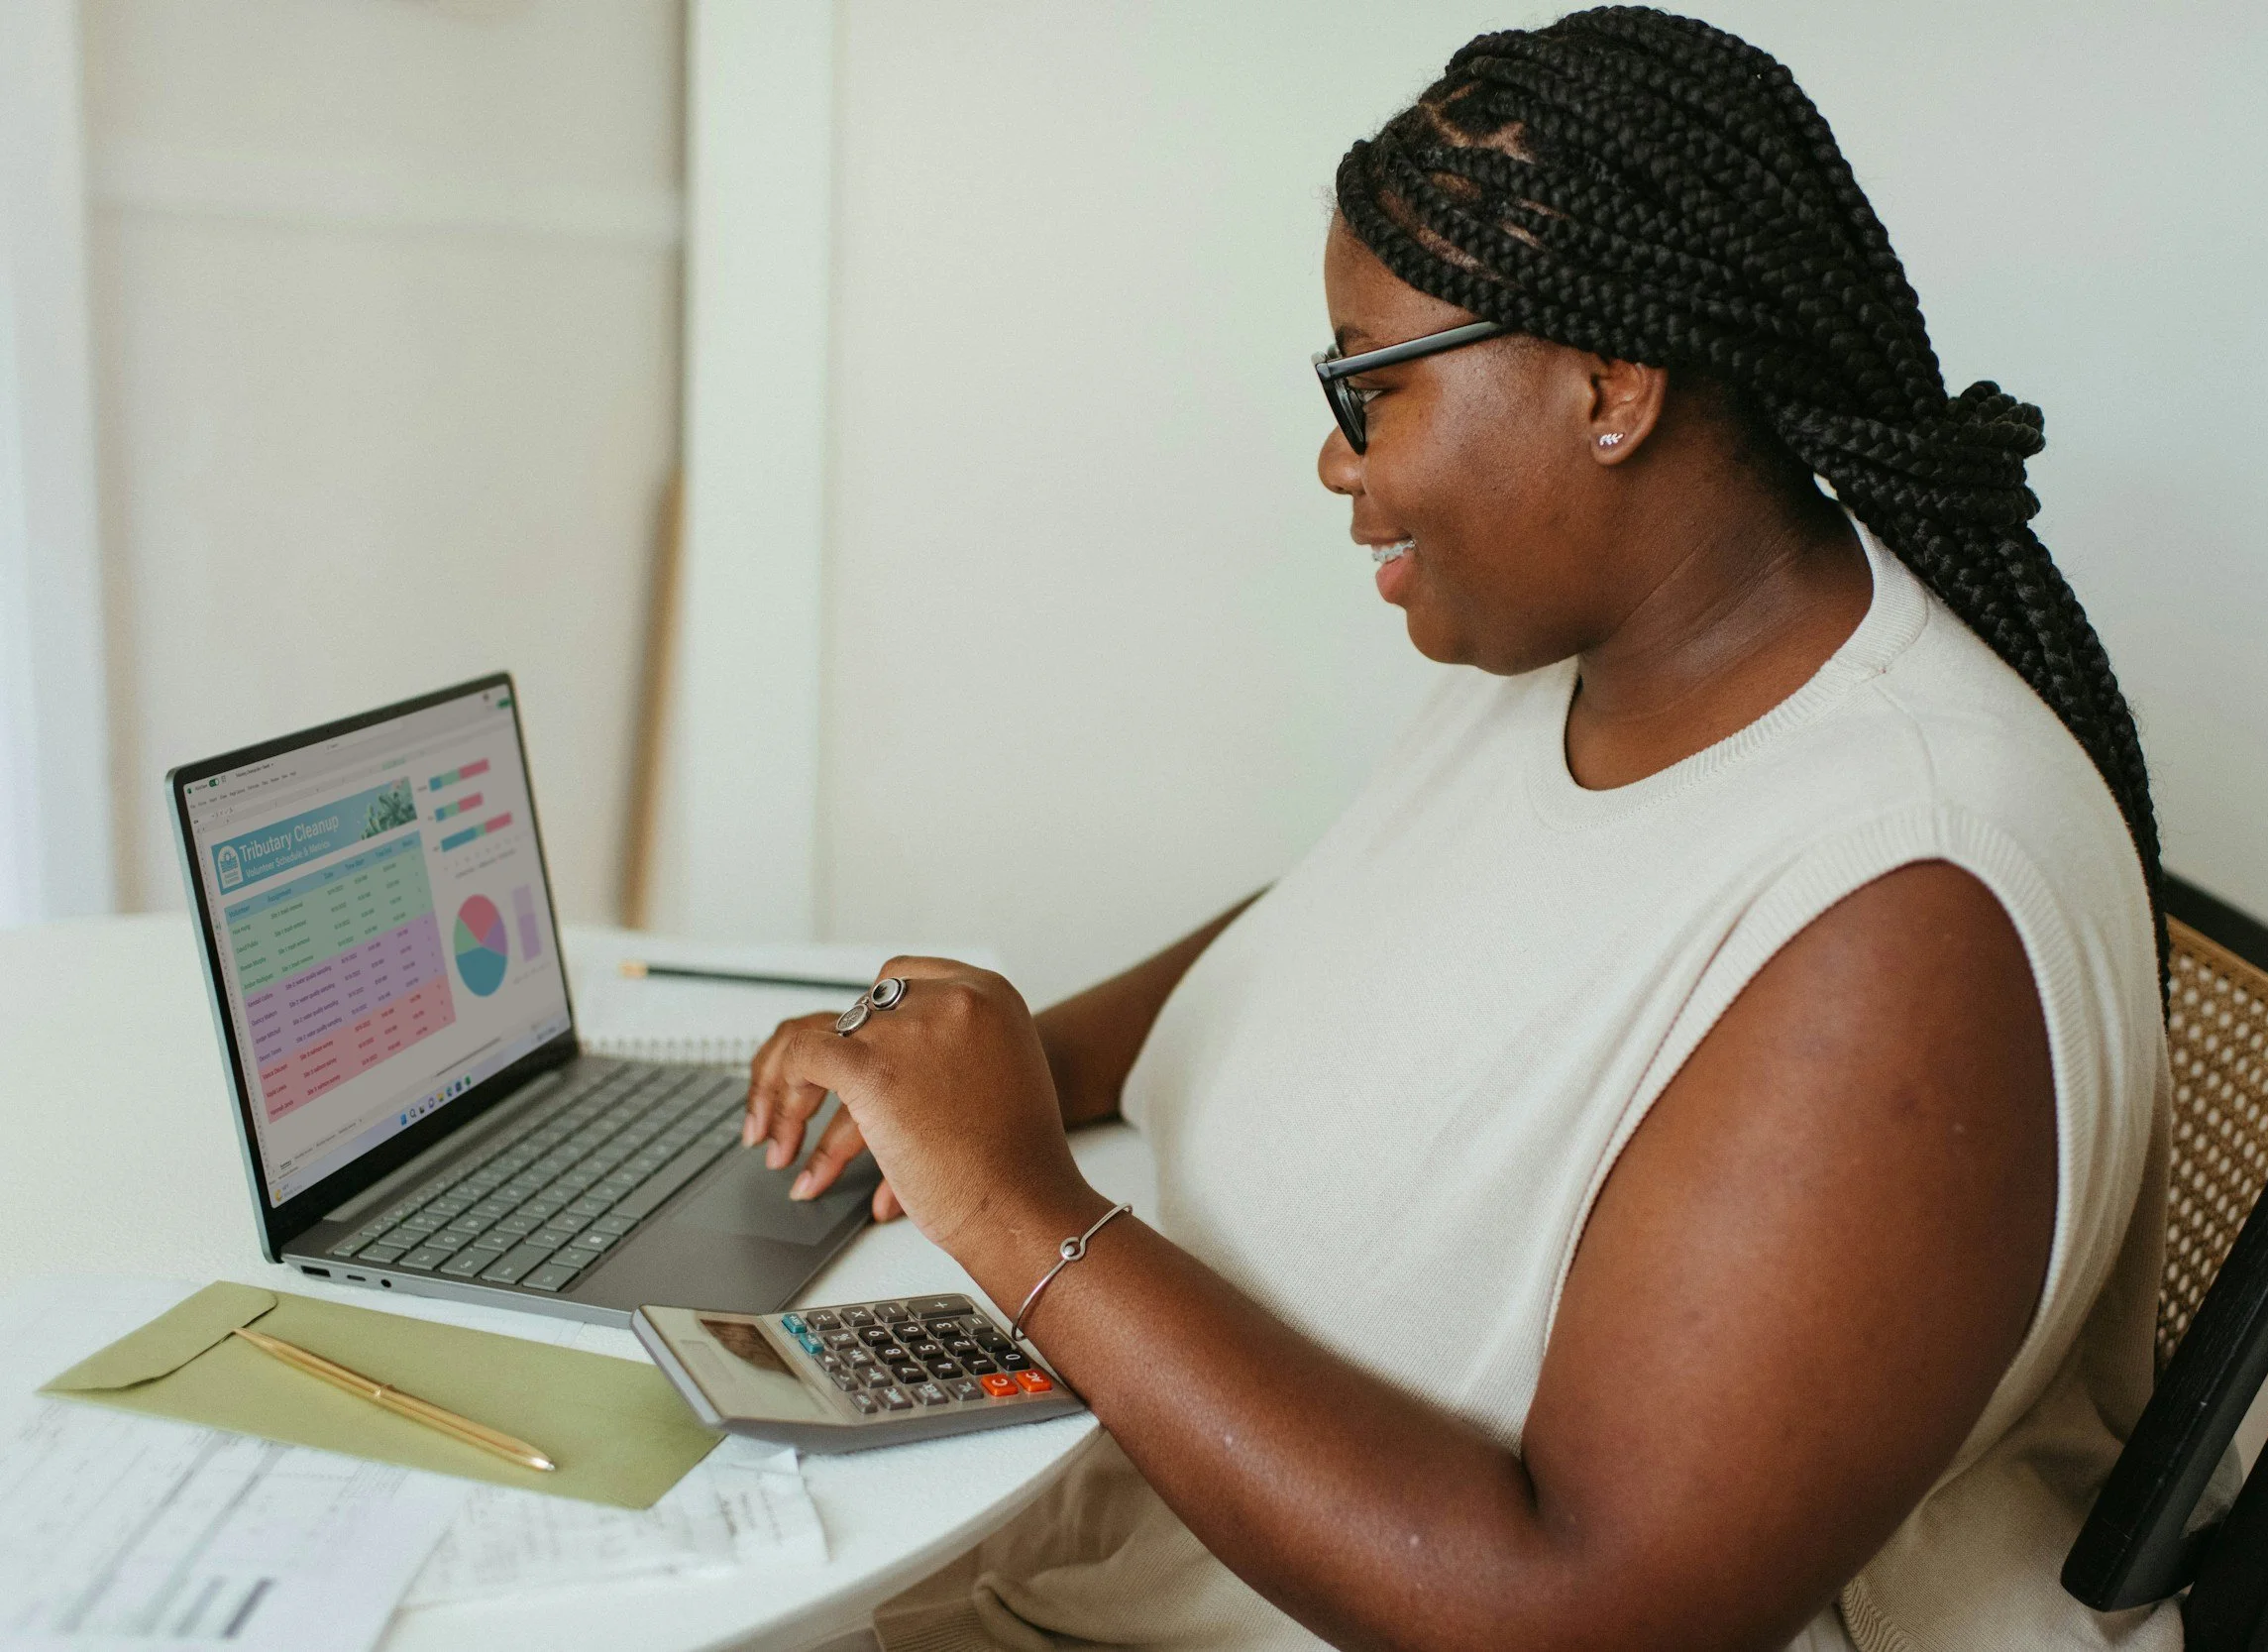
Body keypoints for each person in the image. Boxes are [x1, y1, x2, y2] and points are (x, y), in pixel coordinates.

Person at [739, 10, 2175, 1649]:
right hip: (1098, 1533)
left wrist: (1010, 1199)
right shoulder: (1597, 662)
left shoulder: (1907, 917)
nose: (1339, 459)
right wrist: (1003, 1074)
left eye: (1375, 385)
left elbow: (1586, 1611)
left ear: (1611, 385)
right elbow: (1348, 933)